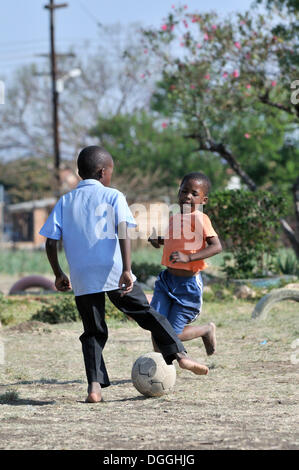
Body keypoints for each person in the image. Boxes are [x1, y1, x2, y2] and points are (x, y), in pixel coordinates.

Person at [39, 147, 209, 404]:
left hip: (83, 278)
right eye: (111, 172)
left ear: (78, 173)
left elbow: (51, 242)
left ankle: (94, 388)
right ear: (103, 172)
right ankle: (181, 356)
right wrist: (127, 269)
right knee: (148, 314)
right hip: (113, 273)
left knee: (93, 332)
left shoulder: (66, 200)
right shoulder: (113, 195)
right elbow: (123, 232)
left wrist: (59, 273)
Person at [148, 172, 222, 357]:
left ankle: (206, 330)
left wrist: (189, 258)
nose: (188, 196)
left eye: (194, 193)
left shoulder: (201, 219)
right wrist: (159, 240)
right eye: (184, 191)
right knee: (156, 322)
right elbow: (175, 240)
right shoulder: (175, 218)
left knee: (175, 332)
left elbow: (216, 246)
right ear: (178, 193)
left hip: (187, 287)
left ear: (203, 200)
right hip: (166, 281)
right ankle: (161, 363)